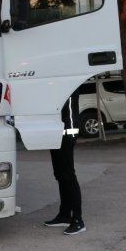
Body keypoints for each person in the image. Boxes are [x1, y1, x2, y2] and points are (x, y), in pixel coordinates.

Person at [44, 92, 86, 235]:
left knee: (68, 175)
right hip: (56, 130)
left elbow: (68, 109)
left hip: (66, 131)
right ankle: (64, 214)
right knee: (60, 174)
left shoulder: (69, 84)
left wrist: (69, 132)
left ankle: (78, 220)